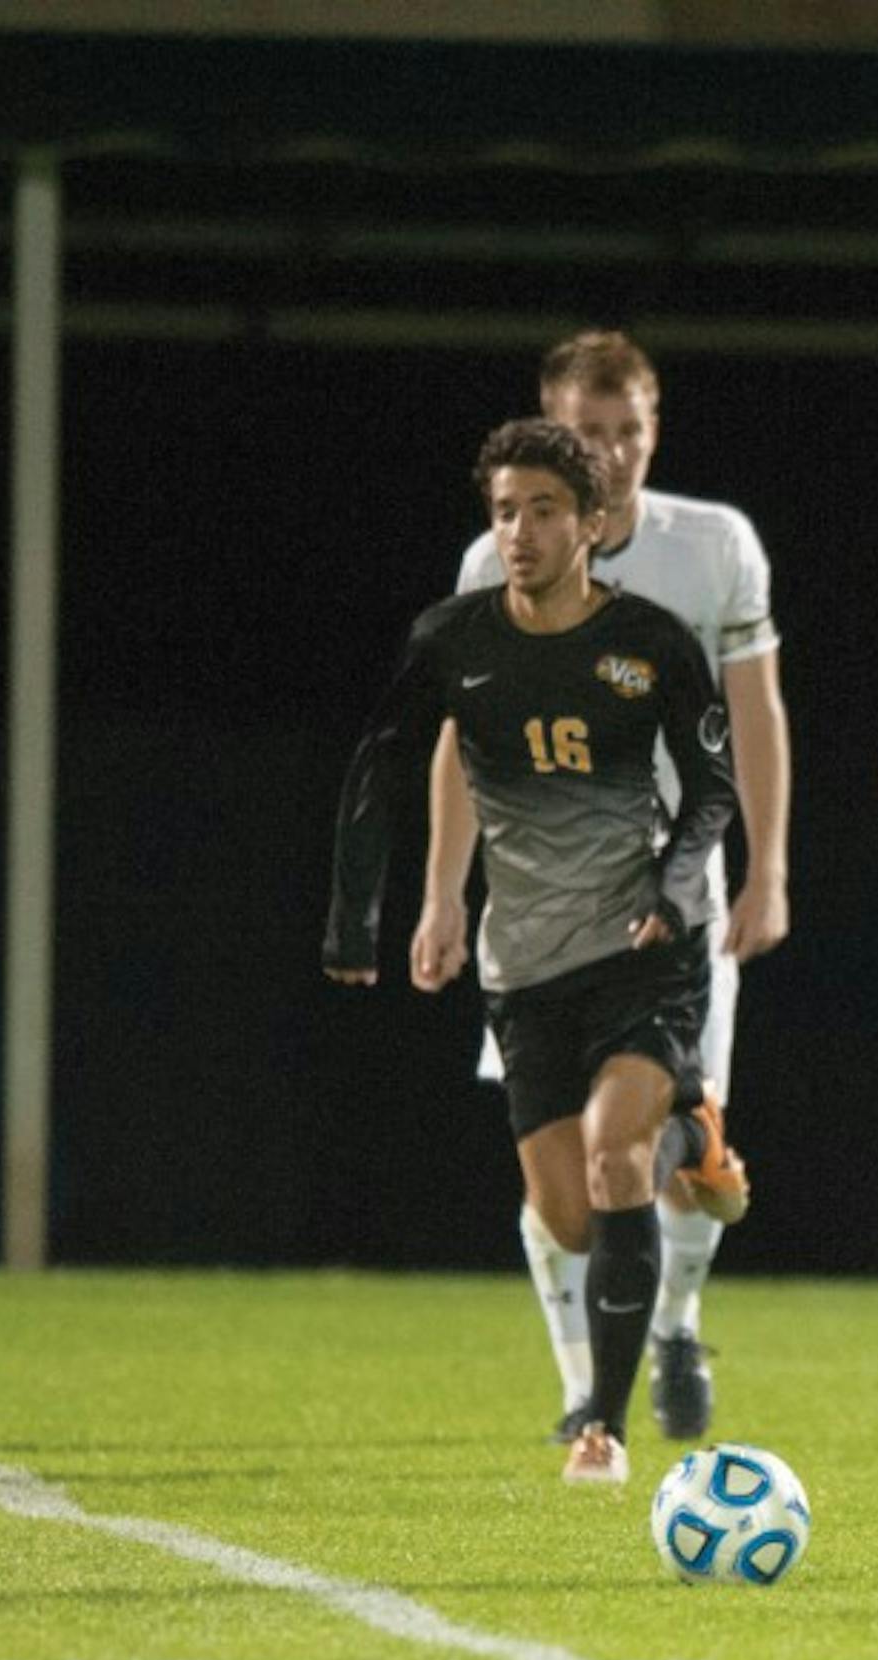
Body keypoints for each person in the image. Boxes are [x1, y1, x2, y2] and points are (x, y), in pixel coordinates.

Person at [325, 419, 737, 1484]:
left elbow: (712, 790)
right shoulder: (454, 642)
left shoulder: (648, 642)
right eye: (504, 511)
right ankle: (692, 1145)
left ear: (591, 525)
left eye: (543, 510)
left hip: (641, 950)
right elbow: (382, 760)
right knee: (569, 1214)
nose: (519, 531)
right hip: (524, 969)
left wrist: (673, 880)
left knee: (609, 1159)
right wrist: (384, 913)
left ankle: (598, 1423)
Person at [415, 330, 790, 1447]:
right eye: (590, 433)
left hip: (670, 892)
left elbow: (754, 712)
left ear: (653, 432)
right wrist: (443, 895)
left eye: (630, 434)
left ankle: (659, 1338)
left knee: (649, 1166)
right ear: (550, 424)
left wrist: (765, 870)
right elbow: (463, 743)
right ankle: (589, 1376)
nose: (613, 455)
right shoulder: (498, 561)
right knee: (564, 1190)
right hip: (538, 906)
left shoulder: (712, 546)